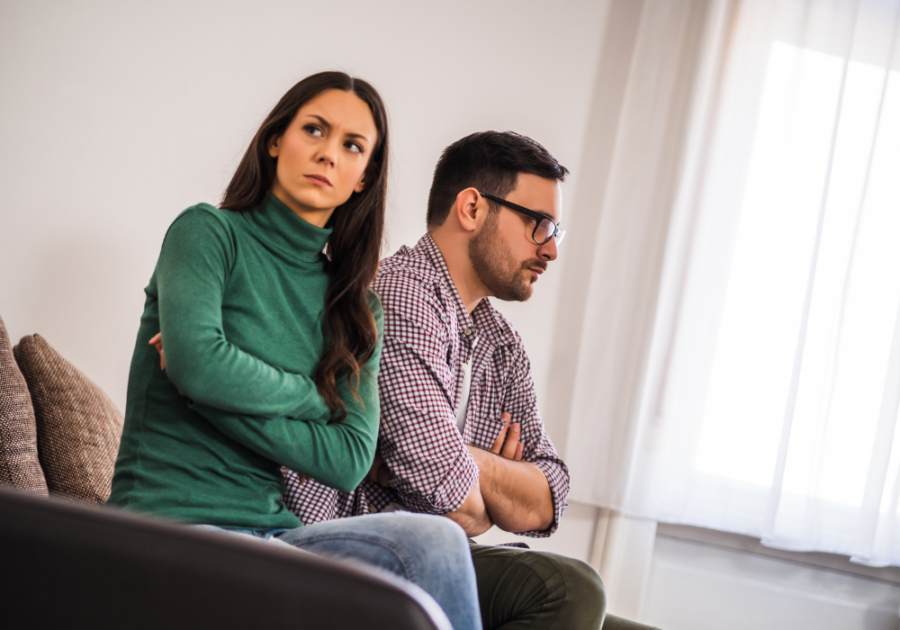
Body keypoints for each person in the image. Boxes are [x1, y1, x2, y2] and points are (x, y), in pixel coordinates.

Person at [108, 71, 482, 630]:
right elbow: (196, 363)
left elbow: (350, 459)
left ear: (363, 177)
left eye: (352, 146)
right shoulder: (207, 234)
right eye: (315, 130)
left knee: (435, 539)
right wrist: (316, 398)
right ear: (276, 140)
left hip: (275, 530)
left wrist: (208, 394)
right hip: (171, 525)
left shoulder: (356, 309)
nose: (329, 154)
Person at [285, 131, 657, 630]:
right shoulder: (399, 297)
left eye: (556, 232)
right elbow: (452, 494)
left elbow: (550, 497)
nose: (550, 250)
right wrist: (489, 495)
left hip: (445, 552)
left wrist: (461, 458)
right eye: (539, 225)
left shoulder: (500, 342)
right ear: (472, 208)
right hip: (370, 555)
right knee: (571, 589)